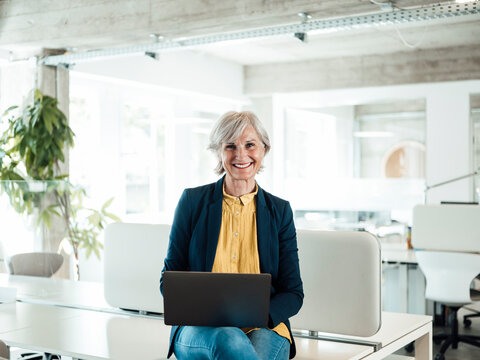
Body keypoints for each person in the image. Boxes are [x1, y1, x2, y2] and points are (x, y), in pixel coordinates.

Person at [160, 111, 303, 360]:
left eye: (250, 145)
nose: (240, 155)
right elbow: (168, 282)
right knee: (230, 339)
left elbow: (293, 293)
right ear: (218, 152)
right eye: (230, 146)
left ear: (263, 149)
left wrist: (261, 316)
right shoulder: (192, 202)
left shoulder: (279, 211)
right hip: (200, 328)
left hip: (266, 326)